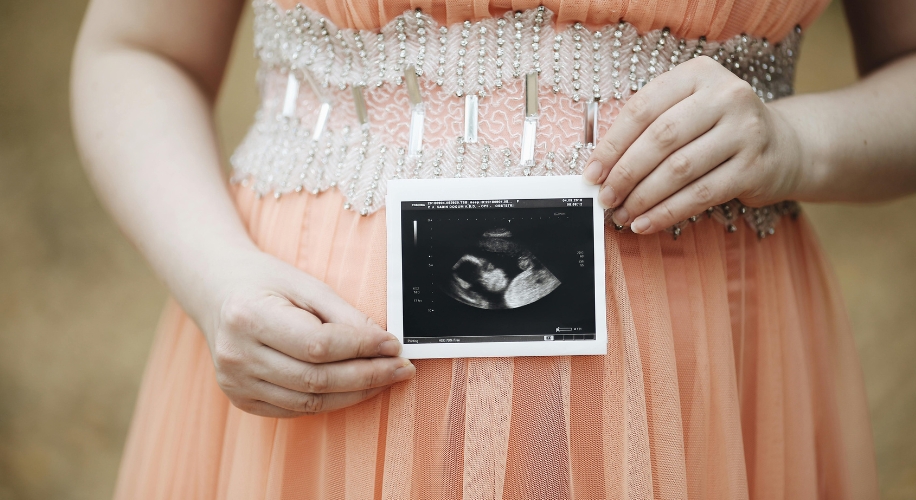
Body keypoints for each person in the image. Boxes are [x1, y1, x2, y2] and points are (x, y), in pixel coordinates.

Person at [71, 0, 914, 497]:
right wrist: (214, 277)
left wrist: (798, 143)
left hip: (697, 398)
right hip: (315, 392)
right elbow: (139, 48)